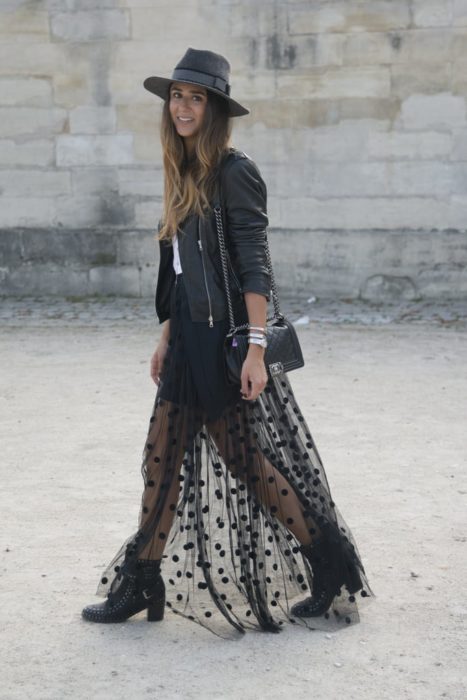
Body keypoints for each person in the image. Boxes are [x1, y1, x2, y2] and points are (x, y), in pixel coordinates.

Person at [81, 47, 373, 639]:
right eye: (177, 96)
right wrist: (166, 336)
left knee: (245, 461)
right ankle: (143, 577)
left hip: (224, 345)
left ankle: (326, 558)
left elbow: (254, 267)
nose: (184, 107)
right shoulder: (181, 167)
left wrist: (258, 351)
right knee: (161, 461)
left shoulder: (234, 170)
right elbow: (181, 271)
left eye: (196, 98)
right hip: (188, 340)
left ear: (214, 109)